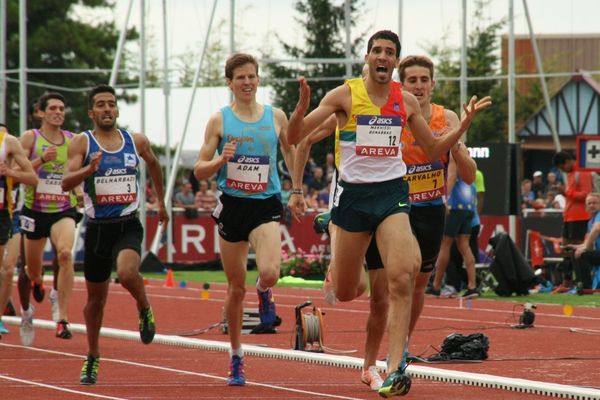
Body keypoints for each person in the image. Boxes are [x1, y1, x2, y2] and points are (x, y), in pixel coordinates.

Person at [287, 30, 491, 397]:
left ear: (394, 62)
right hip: (352, 200)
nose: (383, 57)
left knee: (402, 278)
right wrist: (301, 108)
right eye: (377, 51)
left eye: (389, 52)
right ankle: (335, 233)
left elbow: (431, 150)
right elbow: (294, 136)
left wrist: (463, 126)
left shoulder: (405, 102)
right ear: (367, 58)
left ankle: (396, 368)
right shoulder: (345, 95)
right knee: (351, 291)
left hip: (392, 196)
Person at [193, 53, 295, 386]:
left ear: (258, 79)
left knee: (270, 271)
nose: (247, 83)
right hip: (233, 206)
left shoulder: (275, 116)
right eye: (240, 78)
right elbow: (199, 169)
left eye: (252, 76)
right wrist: (221, 159)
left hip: (265, 204)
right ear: (230, 83)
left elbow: (292, 149)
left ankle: (264, 291)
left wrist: (296, 188)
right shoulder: (219, 121)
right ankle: (236, 356)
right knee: (235, 289)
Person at [61, 84, 169, 385]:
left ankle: (144, 306)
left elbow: (155, 164)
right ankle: (93, 356)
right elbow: (65, 183)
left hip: (127, 223)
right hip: (97, 230)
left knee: (126, 271)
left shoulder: (135, 141)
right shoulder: (83, 143)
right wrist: (88, 170)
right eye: (100, 104)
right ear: (91, 112)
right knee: (96, 302)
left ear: (117, 110)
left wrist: (161, 202)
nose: (107, 109)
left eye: (111, 104)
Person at [19, 92, 83, 344]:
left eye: (62, 108)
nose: (58, 112)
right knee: (32, 270)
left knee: (66, 254)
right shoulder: (29, 137)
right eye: (53, 108)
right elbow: (17, 170)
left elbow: (75, 172)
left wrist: (80, 193)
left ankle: (62, 318)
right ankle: (37, 282)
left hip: (63, 208)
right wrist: (41, 160)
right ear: (41, 112)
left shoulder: (73, 140)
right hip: (34, 210)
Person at [0, 123, 38, 336]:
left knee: (7, 269)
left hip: (11, 217)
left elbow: (32, 177)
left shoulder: (14, 156)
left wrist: (10, 173)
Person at [552, 150, 593, 293]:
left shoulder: (581, 172)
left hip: (580, 217)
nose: (562, 170)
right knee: (566, 249)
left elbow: (587, 195)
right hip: (569, 217)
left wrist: (566, 192)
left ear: (568, 161)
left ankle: (581, 282)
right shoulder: (570, 174)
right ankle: (567, 282)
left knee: (577, 250)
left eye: (562, 167)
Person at [570, 192, 600, 293]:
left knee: (582, 254)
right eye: (589, 203)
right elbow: (590, 243)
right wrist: (578, 246)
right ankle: (580, 283)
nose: (592, 205)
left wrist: (584, 248)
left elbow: (597, 229)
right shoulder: (590, 221)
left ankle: (586, 287)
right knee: (576, 252)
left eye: (595, 203)